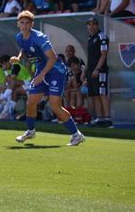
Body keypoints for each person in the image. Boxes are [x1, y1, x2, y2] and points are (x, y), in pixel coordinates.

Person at [12, 10, 85, 146]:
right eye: (22, 23)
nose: (25, 25)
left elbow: (52, 57)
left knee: (55, 106)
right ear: (18, 24)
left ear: (32, 24)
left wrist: (41, 75)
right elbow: (24, 49)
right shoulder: (19, 37)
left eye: (28, 23)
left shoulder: (40, 37)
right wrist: (18, 58)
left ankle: (77, 135)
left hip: (56, 71)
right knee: (31, 103)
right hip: (41, 70)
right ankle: (31, 131)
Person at [82, 18, 112, 128]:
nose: (91, 27)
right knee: (94, 95)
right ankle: (100, 118)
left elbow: (104, 54)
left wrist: (97, 69)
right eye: (89, 25)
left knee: (102, 93)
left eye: (93, 24)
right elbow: (89, 58)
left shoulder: (102, 36)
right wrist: (85, 72)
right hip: (91, 71)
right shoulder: (90, 39)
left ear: (97, 25)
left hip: (100, 71)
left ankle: (108, 118)